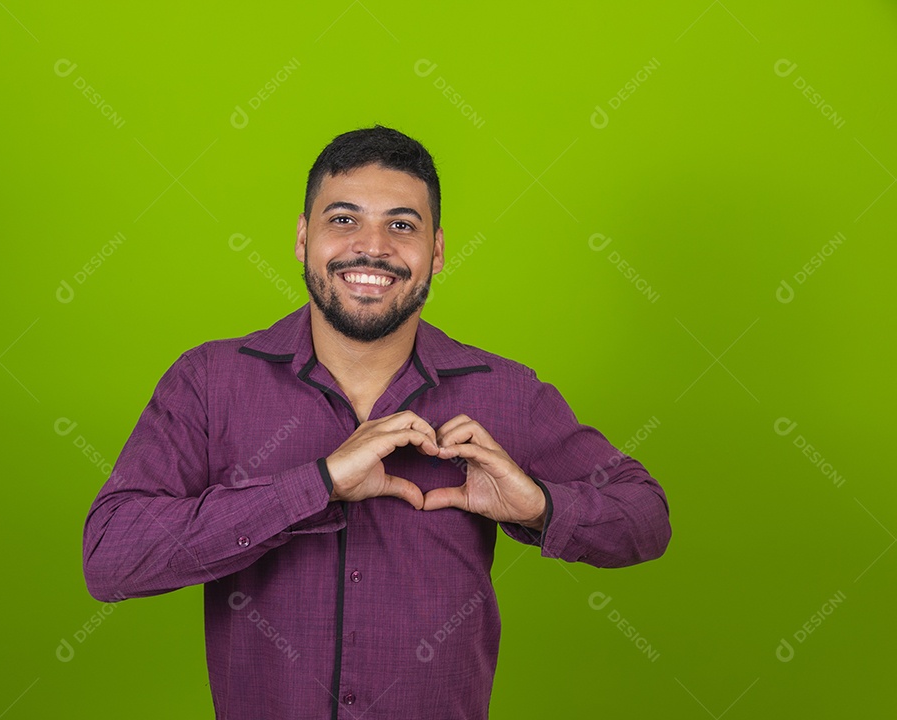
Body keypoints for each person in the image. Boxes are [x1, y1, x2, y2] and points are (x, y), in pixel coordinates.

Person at [82, 124, 672, 719]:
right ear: (302, 237)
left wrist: (540, 507)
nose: (373, 248)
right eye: (343, 219)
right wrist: (315, 485)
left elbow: (645, 517)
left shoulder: (505, 392)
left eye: (401, 225)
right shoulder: (210, 381)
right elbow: (111, 557)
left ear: (437, 251)